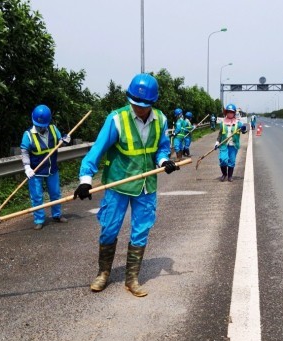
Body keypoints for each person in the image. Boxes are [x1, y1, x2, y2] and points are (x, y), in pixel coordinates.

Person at [73, 73, 179, 297]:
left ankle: (132, 278)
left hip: (146, 185)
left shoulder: (160, 119)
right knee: (109, 229)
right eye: (135, 104)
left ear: (152, 102)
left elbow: (161, 147)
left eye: (144, 105)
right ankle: (103, 273)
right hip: (119, 184)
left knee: (141, 231)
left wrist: (163, 161)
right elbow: (96, 150)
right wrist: (85, 180)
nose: (139, 109)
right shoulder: (117, 119)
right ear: (129, 99)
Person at [20, 104, 71, 230]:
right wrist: (27, 167)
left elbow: (60, 141)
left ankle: (57, 215)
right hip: (35, 171)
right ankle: (39, 219)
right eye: (38, 125)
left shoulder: (53, 129)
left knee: (55, 193)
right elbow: (24, 151)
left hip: (51, 168)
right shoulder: (28, 135)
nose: (40, 128)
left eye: (43, 126)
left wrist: (65, 140)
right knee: (37, 196)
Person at [215, 103, 247, 182]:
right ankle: (224, 174)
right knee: (222, 159)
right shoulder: (223, 123)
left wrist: (243, 129)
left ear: (234, 113)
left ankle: (229, 176)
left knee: (231, 161)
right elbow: (220, 134)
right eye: (228, 112)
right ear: (226, 113)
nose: (230, 113)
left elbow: (244, 131)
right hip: (223, 145)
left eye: (232, 112)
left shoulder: (238, 123)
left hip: (233, 145)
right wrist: (216, 143)